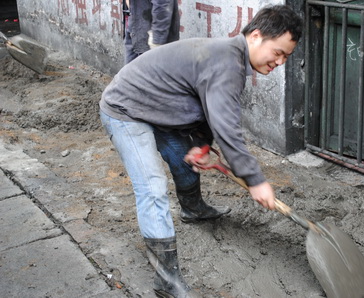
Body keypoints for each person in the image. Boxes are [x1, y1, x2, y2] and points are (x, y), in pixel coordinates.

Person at [100, 4, 302, 297]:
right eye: (279, 52)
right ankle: (166, 281)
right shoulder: (227, 63)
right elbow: (227, 127)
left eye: (286, 57)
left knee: (184, 159)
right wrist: (256, 180)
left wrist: (201, 145)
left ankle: (193, 209)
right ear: (256, 36)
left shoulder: (231, 59)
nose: (280, 62)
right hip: (126, 110)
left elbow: (209, 111)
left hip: (158, 107)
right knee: (153, 187)